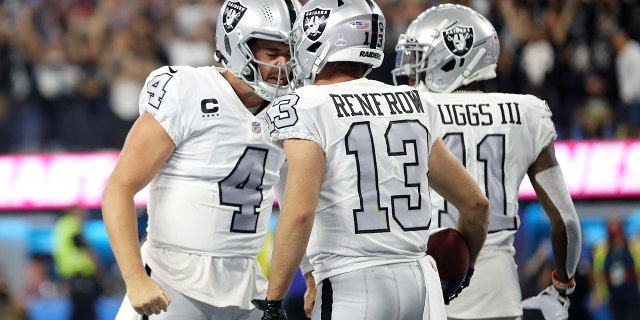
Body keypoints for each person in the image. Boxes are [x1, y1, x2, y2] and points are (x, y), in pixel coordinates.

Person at [253, 0, 490, 319]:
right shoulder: (414, 101)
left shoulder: (306, 104)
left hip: (352, 281)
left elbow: (299, 214)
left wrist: (273, 300)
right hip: (421, 281)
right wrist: (467, 266)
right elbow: (477, 205)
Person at [101, 0, 300, 318]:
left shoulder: (292, 111)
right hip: (173, 280)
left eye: (291, 52)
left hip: (247, 287)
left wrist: (312, 272)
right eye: (272, 52)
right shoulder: (187, 90)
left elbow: (298, 206)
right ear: (238, 48)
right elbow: (118, 189)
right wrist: (135, 278)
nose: (284, 63)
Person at [391, 4, 582, 320]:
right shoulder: (525, 112)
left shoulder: (411, 109)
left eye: (419, 58)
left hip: (423, 295)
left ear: (452, 58)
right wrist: (563, 287)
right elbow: (567, 222)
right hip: (500, 298)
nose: (411, 70)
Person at [52, 205, 102, 320]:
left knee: (77, 309)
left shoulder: (60, 227)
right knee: (86, 310)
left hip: (69, 273)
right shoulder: (72, 224)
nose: (84, 216)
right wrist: (97, 266)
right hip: (80, 273)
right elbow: (84, 247)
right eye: (82, 213)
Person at [593, 217, 640, 320]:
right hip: (613, 297)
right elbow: (598, 275)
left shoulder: (634, 246)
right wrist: (598, 295)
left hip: (633, 295)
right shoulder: (601, 250)